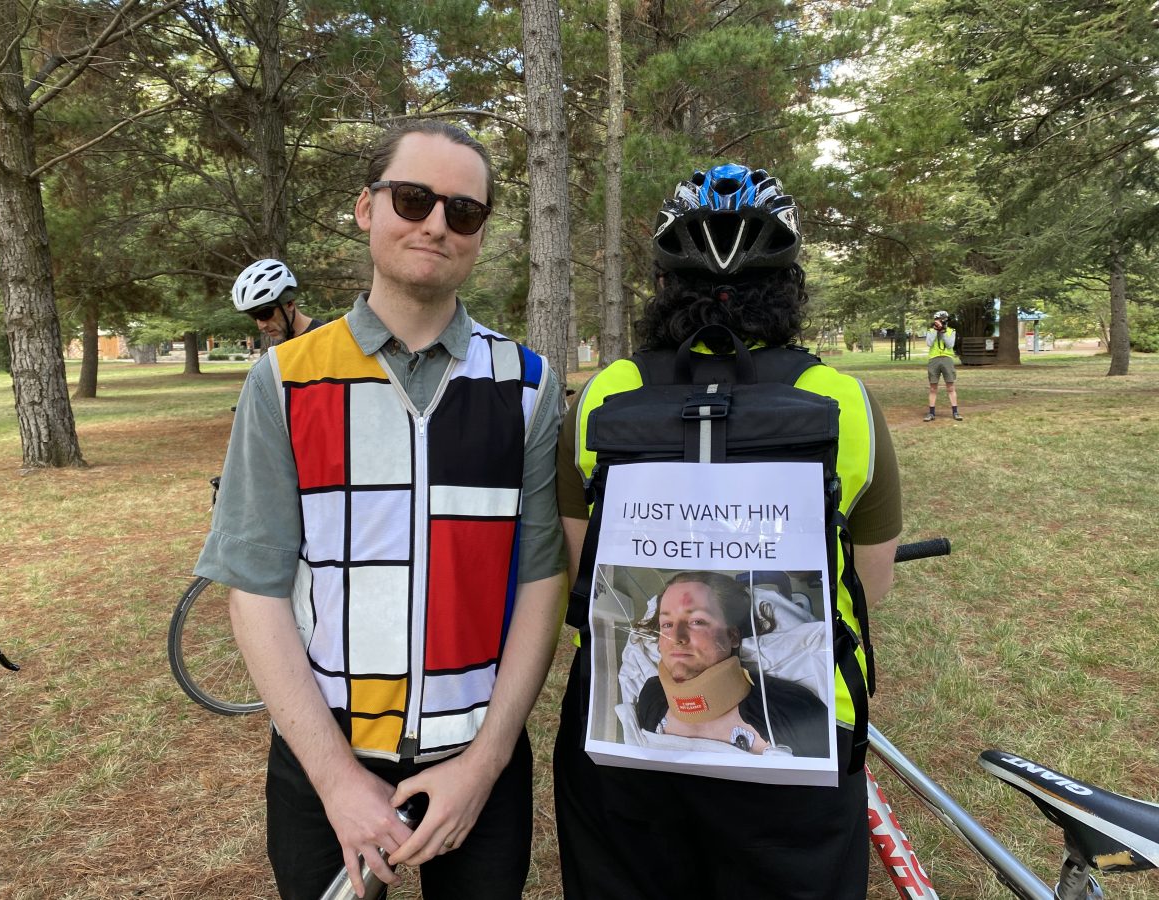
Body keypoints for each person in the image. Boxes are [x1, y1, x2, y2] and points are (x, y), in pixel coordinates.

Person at [195, 120, 566, 900]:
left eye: (463, 211)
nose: (436, 223)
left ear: (480, 232)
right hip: (324, 754)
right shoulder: (284, 382)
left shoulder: (528, 387)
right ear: (366, 209)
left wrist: (485, 764)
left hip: (477, 758)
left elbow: (541, 584)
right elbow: (256, 591)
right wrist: (335, 781)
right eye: (413, 199)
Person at [553, 163, 903, 900]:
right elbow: (867, 584)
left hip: (619, 749)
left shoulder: (603, 397)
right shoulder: (842, 400)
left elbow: (582, 581)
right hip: (799, 752)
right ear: (790, 285)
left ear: (662, 284)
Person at [634, 571, 829, 758]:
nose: (677, 638)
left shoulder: (792, 709)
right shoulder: (651, 696)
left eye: (697, 621)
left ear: (733, 636)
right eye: (667, 624)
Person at [232, 258, 324, 344]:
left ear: (289, 304)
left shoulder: (326, 339)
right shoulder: (279, 348)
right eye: (254, 317)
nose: (261, 326)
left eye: (265, 314)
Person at [924, 310, 962, 421]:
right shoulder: (931, 331)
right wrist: (936, 331)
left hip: (947, 359)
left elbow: (950, 344)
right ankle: (931, 413)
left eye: (941, 320)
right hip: (933, 359)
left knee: (950, 386)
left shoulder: (951, 331)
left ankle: (955, 412)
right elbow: (929, 343)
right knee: (933, 387)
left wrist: (943, 331)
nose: (939, 322)